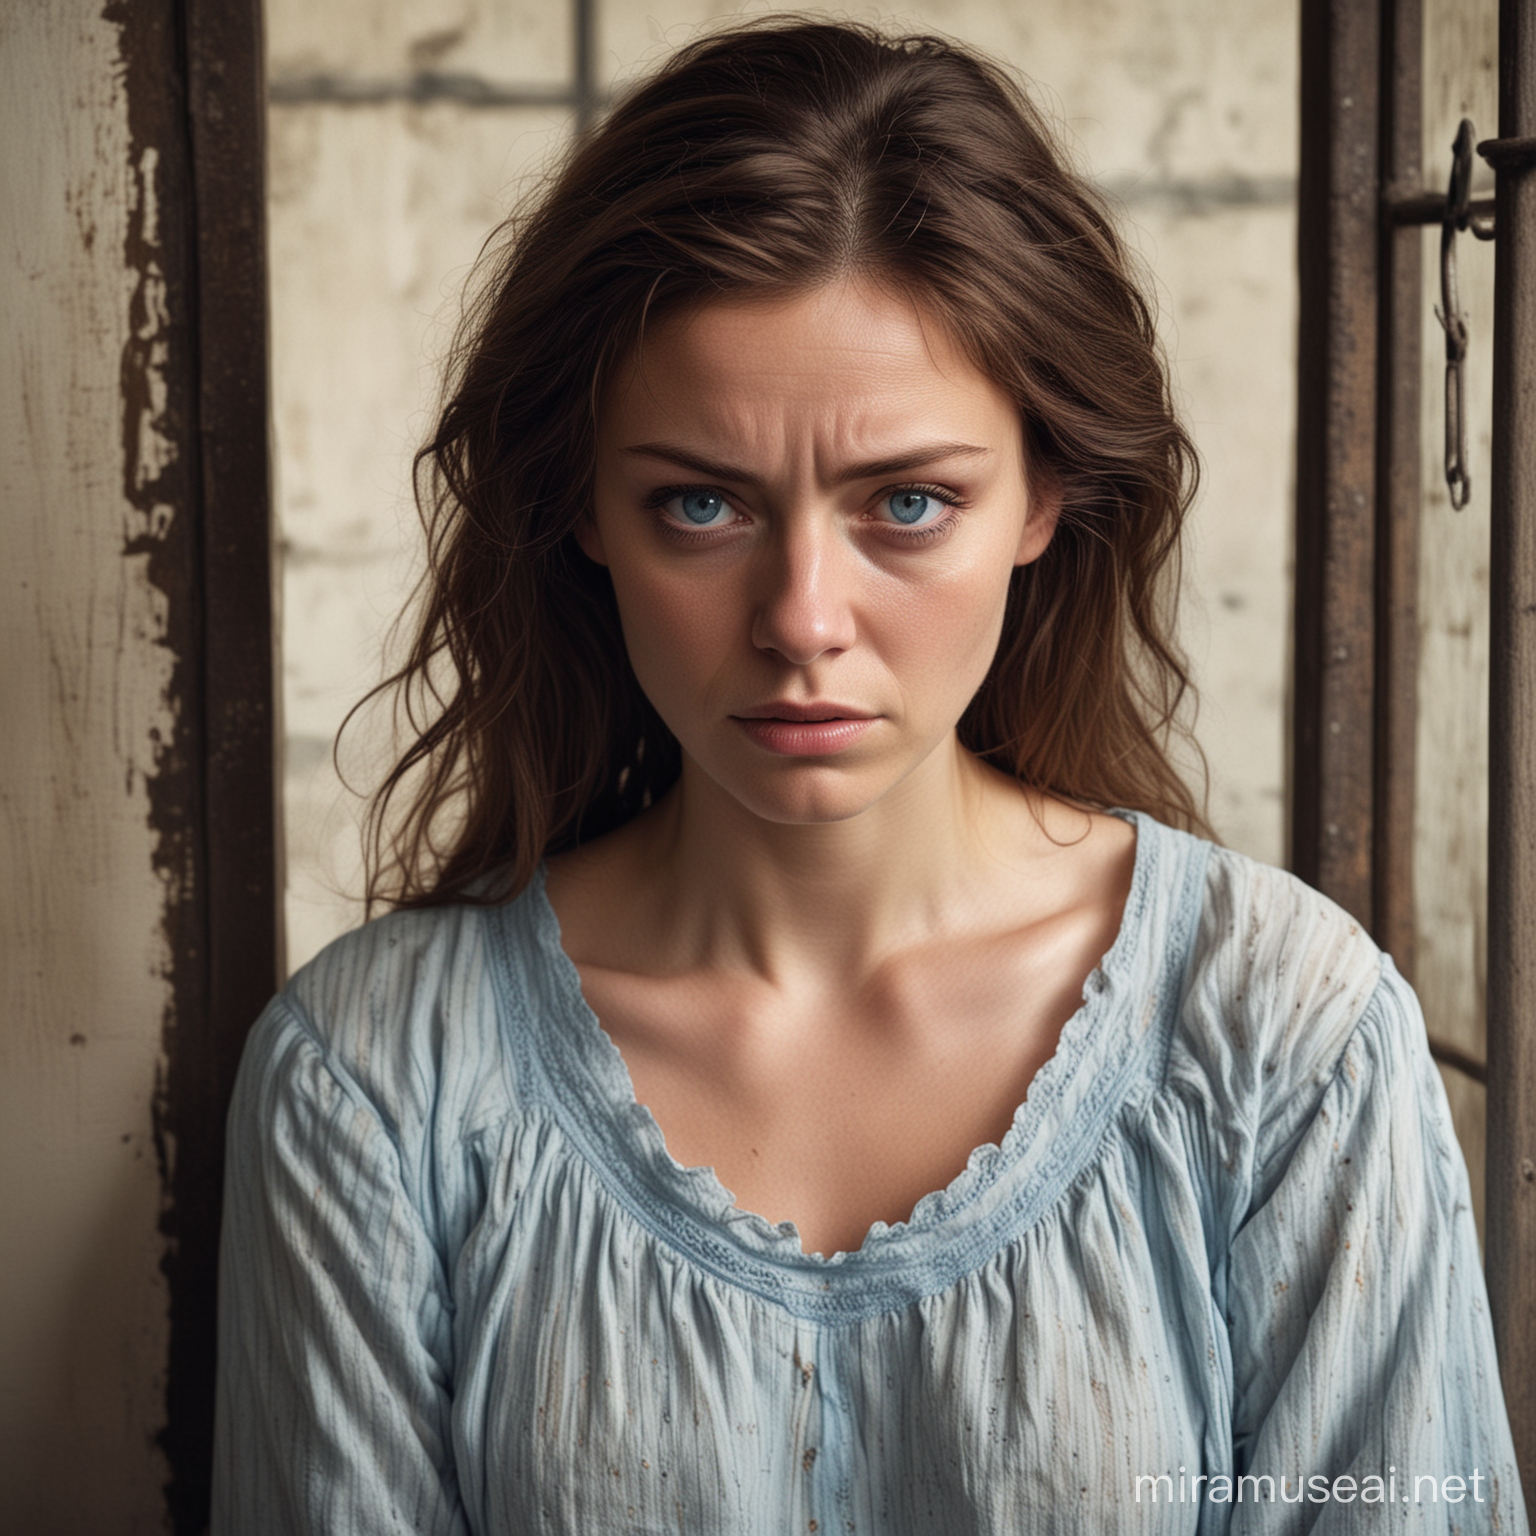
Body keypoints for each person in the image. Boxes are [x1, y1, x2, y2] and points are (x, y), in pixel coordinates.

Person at [212, 16, 1526, 1533]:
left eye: (907, 501)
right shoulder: (375, 1082)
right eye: (701, 504)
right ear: (581, 506)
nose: (801, 623)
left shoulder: (1286, 1044)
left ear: (1045, 494)